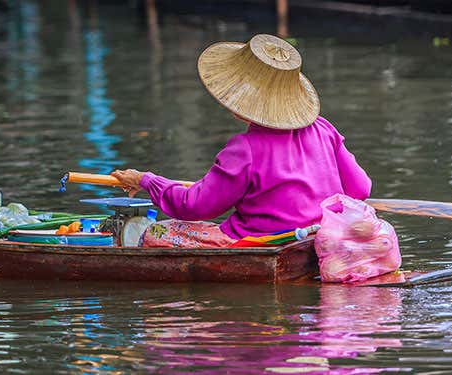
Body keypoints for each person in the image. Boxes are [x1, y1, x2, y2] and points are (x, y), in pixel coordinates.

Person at [111, 34, 371, 248]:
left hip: (262, 243)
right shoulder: (323, 129)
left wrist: (147, 181)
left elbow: (195, 205)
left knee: (156, 232)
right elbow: (360, 189)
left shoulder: (244, 148)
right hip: (319, 239)